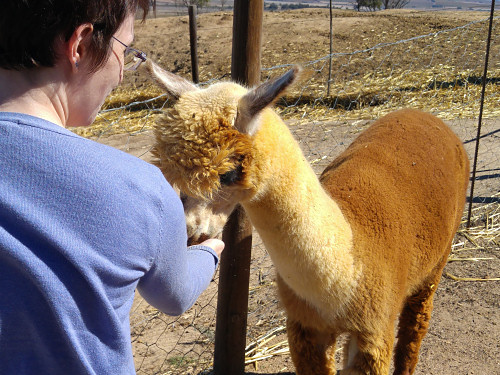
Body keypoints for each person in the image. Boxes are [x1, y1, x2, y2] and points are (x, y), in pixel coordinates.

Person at [0, 1, 224, 374]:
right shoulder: (140, 189)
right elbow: (175, 295)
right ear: (81, 45)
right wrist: (211, 251)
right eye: (127, 52)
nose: (122, 75)